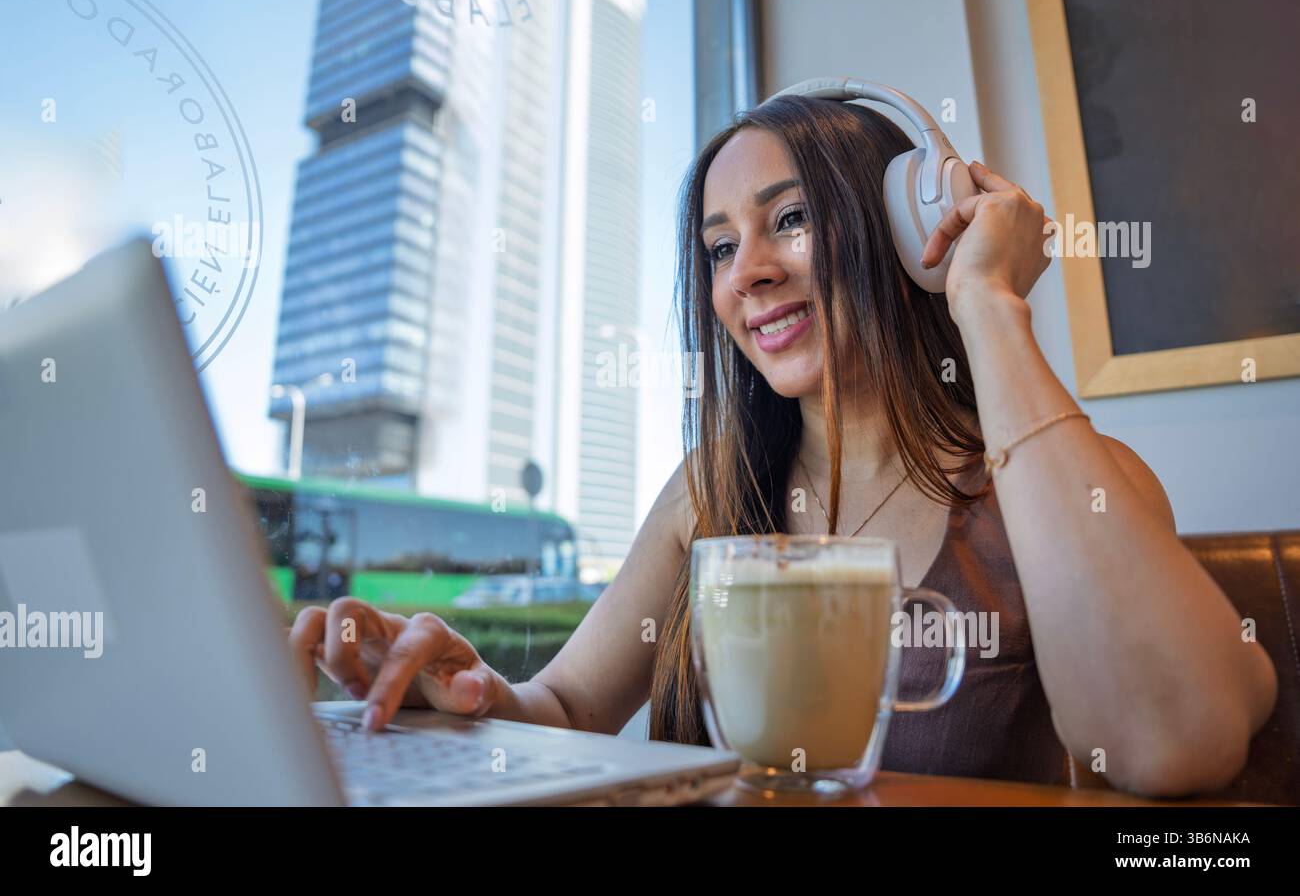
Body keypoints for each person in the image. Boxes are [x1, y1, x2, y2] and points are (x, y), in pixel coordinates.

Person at [288, 95, 1277, 798]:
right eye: (720, 247)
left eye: (791, 221)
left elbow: (1171, 745)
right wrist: (469, 692)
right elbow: (566, 703)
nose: (747, 275)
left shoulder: (1062, 491)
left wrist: (986, 299)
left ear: (906, 235)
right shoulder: (707, 491)